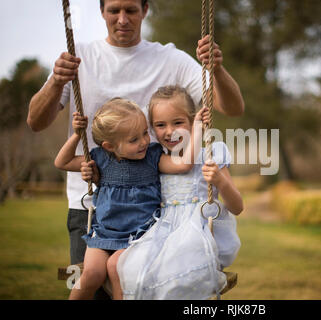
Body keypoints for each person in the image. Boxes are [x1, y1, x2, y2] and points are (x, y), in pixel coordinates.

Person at [26, 0, 244, 297]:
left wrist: (216, 70)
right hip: (90, 206)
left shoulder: (172, 60)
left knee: (139, 291)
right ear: (101, 12)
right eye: (114, 10)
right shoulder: (80, 57)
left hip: (150, 215)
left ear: (145, 10)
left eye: (130, 9)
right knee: (90, 284)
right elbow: (35, 122)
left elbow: (231, 107)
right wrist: (55, 81)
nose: (122, 18)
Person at [85, 85, 241, 299]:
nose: (169, 131)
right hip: (157, 233)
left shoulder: (212, 154)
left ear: (193, 120)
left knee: (171, 277)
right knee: (123, 267)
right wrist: (93, 175)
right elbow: (118, 177)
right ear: (151, 128)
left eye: (178, 122)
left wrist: (220, 181)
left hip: (194, 233)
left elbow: (237, 207)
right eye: (160, 125)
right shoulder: (153, 159)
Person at [54, 97, 207, 299]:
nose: (144, 141)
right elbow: (62, 162)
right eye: (134, 140)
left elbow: (184, 165)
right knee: (91, 274)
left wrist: (197, 128)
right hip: (103, 234)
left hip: (138, 237)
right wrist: (76, 135)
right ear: (110, 146)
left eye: (145, 133)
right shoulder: (101, 158)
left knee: (117, 269)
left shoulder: (153, 157)